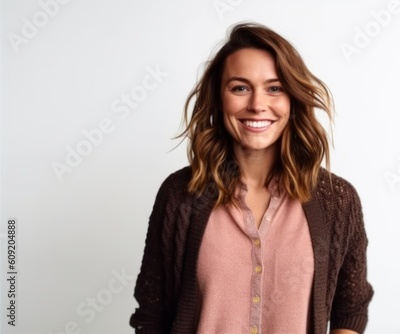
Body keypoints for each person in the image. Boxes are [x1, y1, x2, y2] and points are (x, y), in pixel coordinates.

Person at [129, 22, 373, 334]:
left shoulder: (337, 199)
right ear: (219, 99)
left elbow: (350, 309)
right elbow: (151, 314)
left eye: (274, 88)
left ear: (292, 100)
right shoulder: (179, 195)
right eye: (240, 88)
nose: (258, 105)